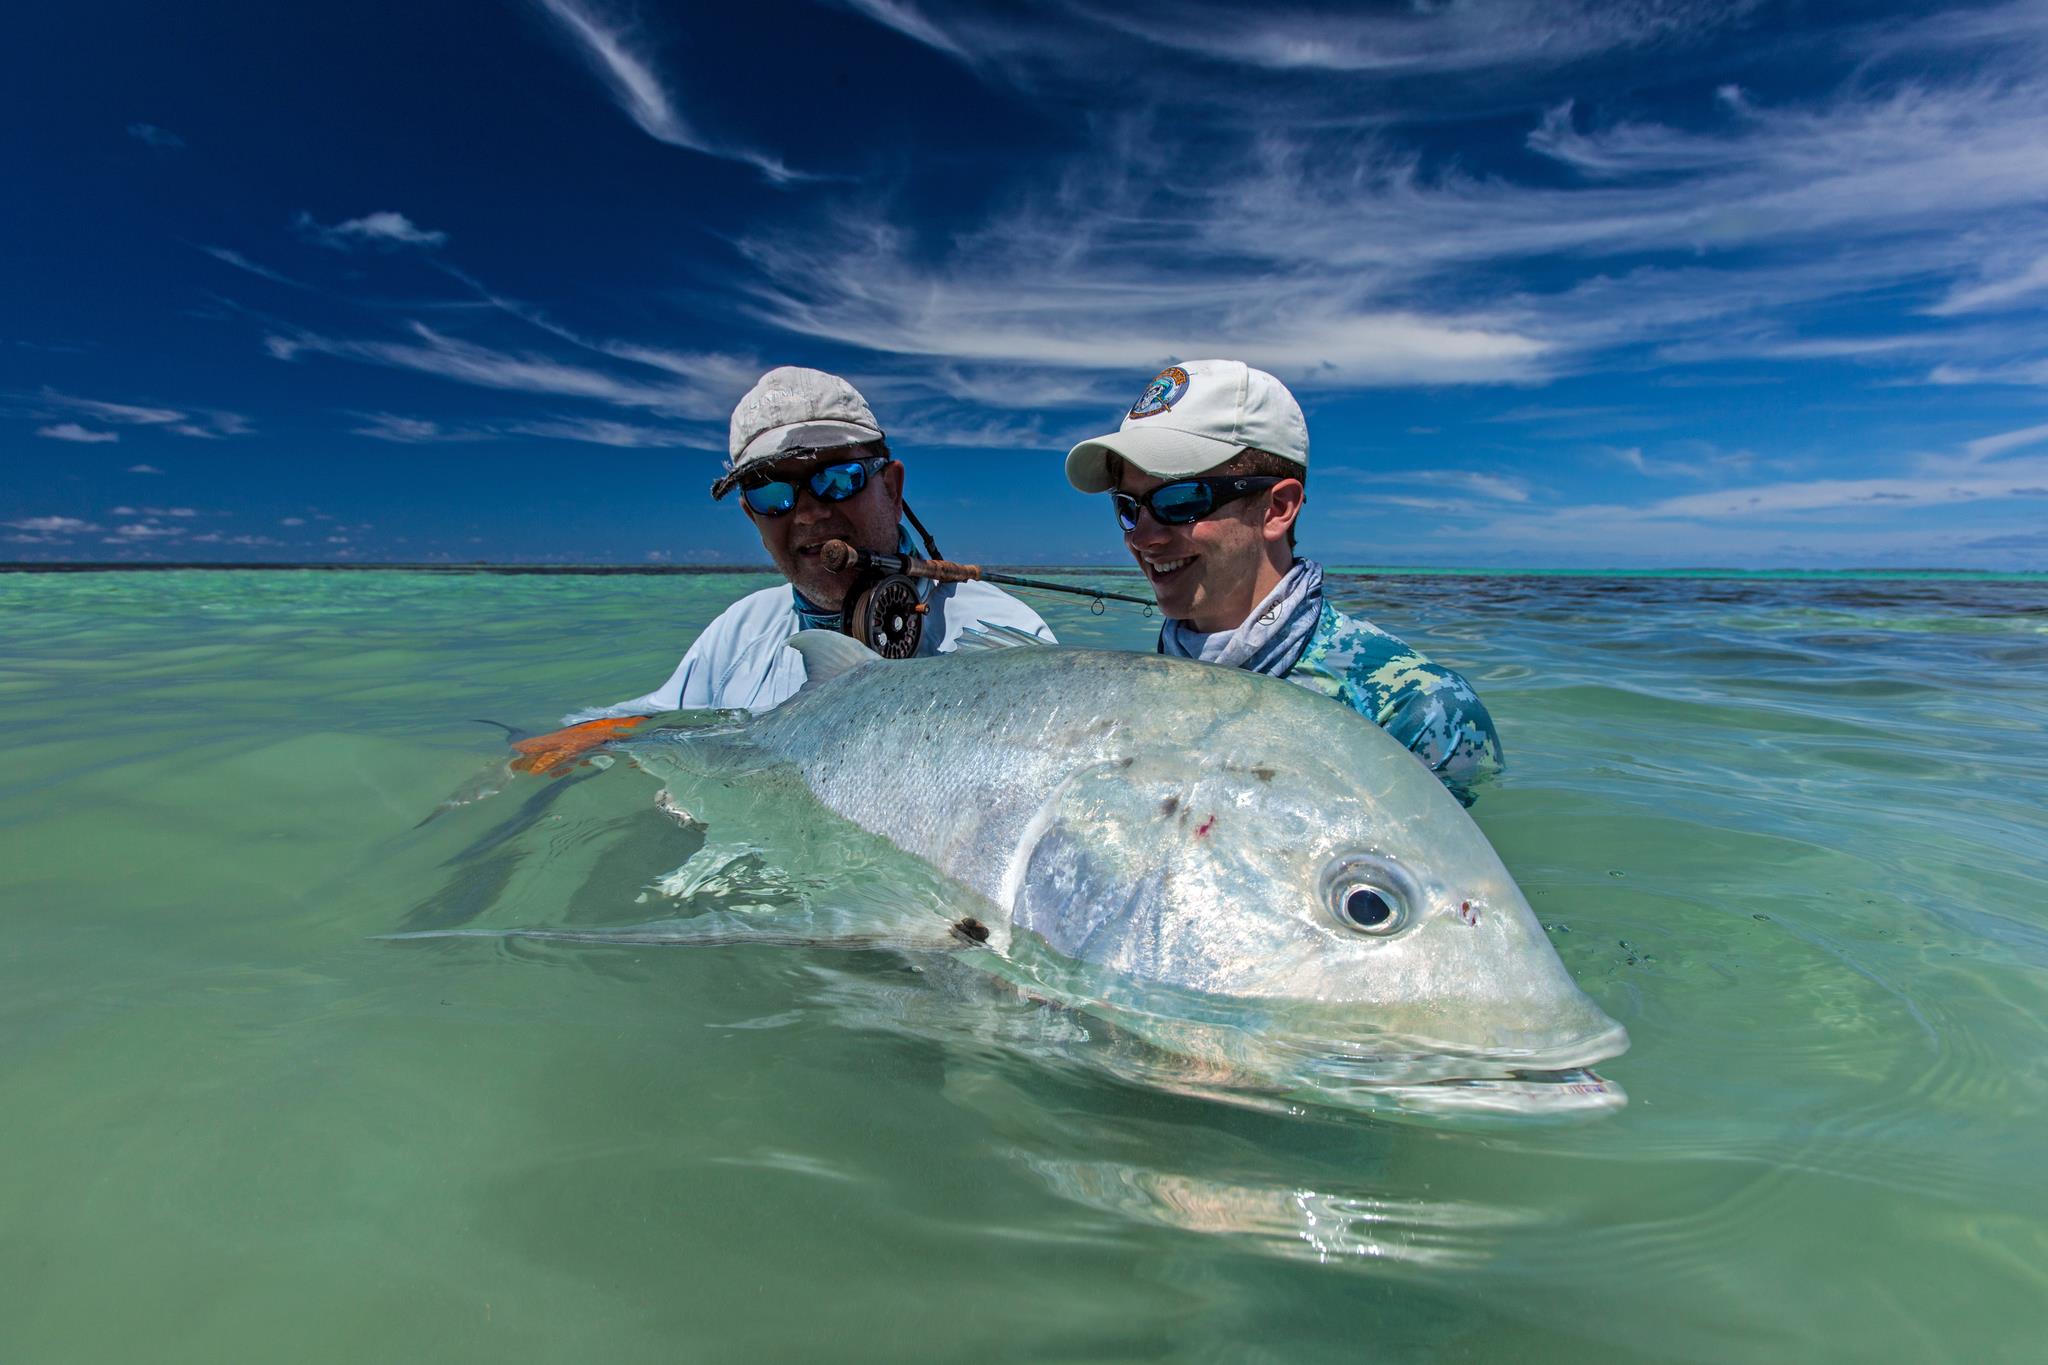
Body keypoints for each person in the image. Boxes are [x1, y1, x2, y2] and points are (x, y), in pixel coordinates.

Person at [1064, 358, 1503, 801]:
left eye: (1180, 500)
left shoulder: (1416, 710)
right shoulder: (1126, 697)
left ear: (1278, 508)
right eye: (1128, 507)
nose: (1142, 537)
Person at [564, 366, 1053, 723]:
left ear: (891, 489)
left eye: (838, 478)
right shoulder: (738, 633)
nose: (808, 513)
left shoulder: (1006, 636)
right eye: (770, 492)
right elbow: (640, 722)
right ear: (750, 515)